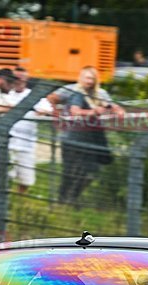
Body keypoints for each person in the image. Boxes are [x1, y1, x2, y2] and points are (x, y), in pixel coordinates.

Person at [59, 66, 124, 203]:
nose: (89, 81)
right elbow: (73, 110)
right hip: (71, 138)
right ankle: (63, 201)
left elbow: (111, 106)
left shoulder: (100, 93)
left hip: (91, 138)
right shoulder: (73, 91)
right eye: (87, 78)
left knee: (91, 171)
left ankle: (72, 198)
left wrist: (118, 111)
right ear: (80, 78)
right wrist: (53, 111)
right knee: (70, 172)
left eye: (92, 78)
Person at [7, 68, 54, 194]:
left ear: (26, 79)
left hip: (26, 145)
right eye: (16, 78)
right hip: (7, 143)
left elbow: (48, 110)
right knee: (5, 175)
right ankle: (4, 199)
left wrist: (43, 113)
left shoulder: (33, 95)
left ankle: (18, 199)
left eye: (21, 78)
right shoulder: (7, 93)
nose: (18, 81)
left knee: (26, 180)